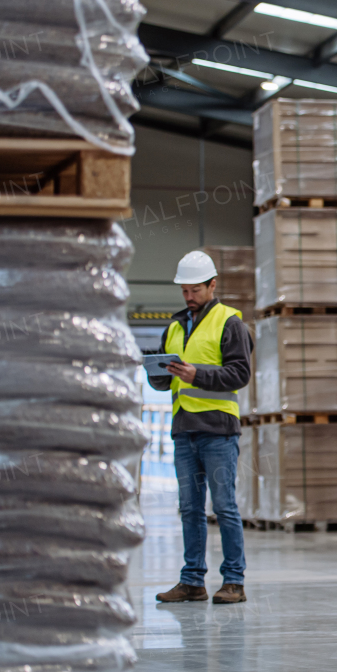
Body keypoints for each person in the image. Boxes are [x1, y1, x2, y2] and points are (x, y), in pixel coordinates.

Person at [151, 250, 253, 605]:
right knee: (190, 509)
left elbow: (240, 374)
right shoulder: (175, 327)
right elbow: (168, 383)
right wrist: (158, 374)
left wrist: (198, 374)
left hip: (218, 431)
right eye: (184, 290)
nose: (188, 296)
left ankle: (234, 582)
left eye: (195, 289)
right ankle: (192, 581)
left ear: (212, 285)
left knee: (224, 507)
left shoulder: (230, 323)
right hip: (184, 429)